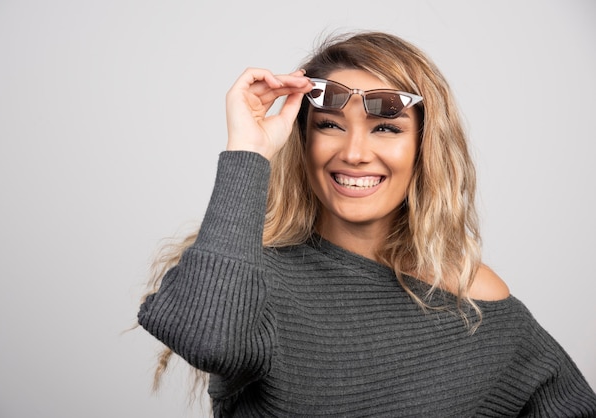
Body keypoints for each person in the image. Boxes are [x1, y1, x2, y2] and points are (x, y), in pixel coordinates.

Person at [138, 31, 596, 417]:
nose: (354, 152)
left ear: (423, 147)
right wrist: (248, 152)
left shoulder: (470, 297)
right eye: (330, 125)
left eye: (386, 128)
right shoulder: (252, 275)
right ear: (303, 141)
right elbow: (208, 340)